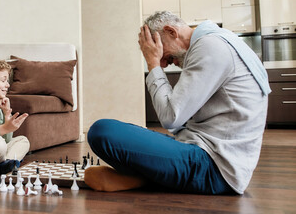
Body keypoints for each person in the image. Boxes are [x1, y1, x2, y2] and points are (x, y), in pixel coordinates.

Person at [84, 11, 271, 195]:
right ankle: (151, 176)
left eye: (159, 51)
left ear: (171, 32)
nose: (164, 63)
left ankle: (146, 177)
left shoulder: (210, 46)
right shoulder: (217, 40)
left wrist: (153, 64)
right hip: (205, 152)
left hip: (214, 167)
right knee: (133, 133)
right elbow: (180, 120)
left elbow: (170, 118)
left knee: (101, 131)